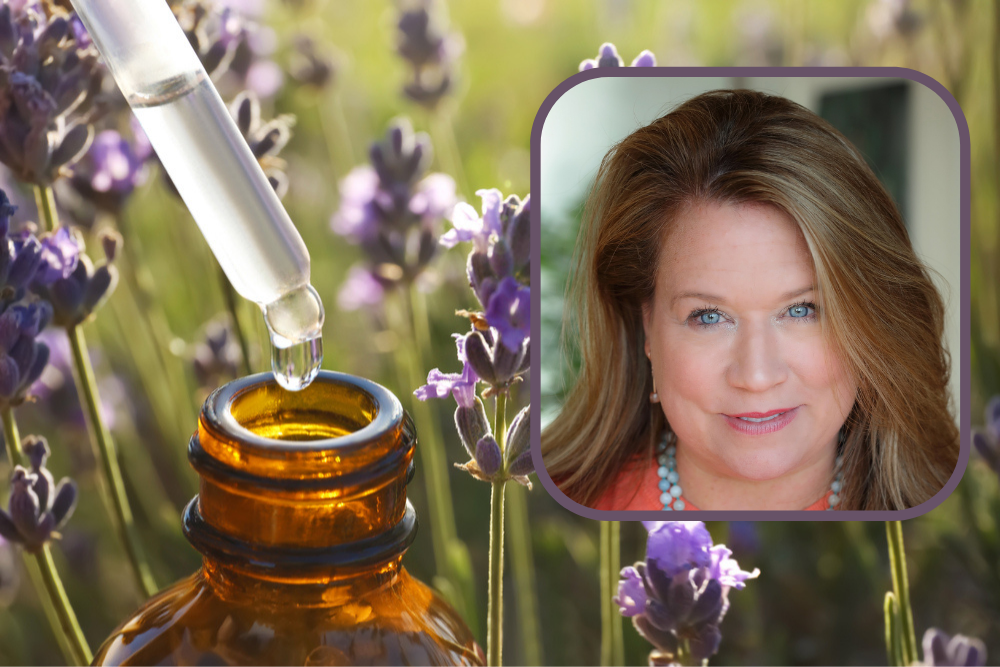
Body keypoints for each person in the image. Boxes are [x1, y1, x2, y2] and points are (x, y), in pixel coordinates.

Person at [540, 89, 958, 511]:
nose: (756, 376)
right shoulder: (541, 511)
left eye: (802, 310)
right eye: (708, 316)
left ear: (871, 321)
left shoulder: (963, 525)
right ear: (646, 324)